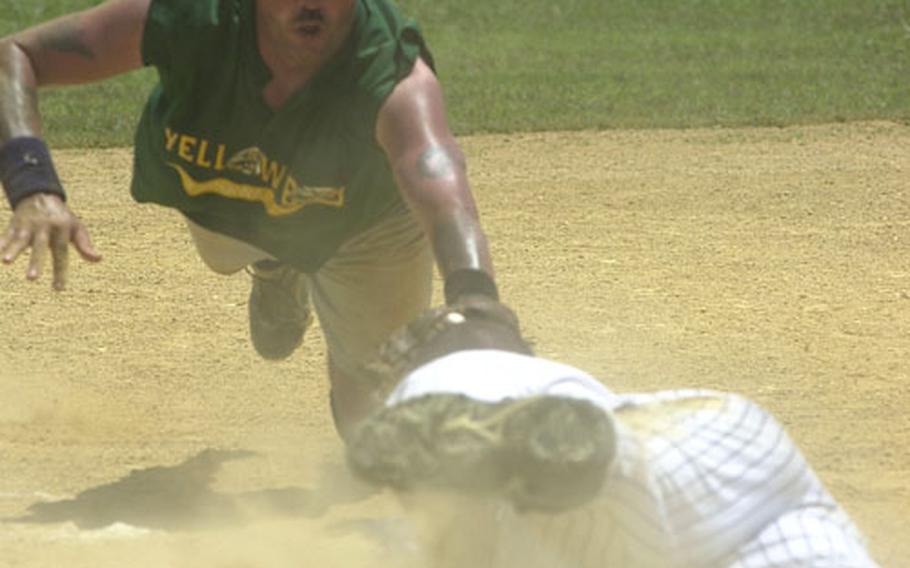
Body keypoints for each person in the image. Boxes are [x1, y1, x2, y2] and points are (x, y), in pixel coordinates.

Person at [0, 0, 499, 439]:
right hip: (226, 204)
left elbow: (442, 190)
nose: (312, 4)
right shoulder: (194, 17)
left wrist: (477, 301)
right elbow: (13, 55)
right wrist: (32, 183)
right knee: (224, 254)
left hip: (366, 226)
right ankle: (275, 266)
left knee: (375, 402)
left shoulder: (391, 73)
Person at [346, 298, 880, 568]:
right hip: (726, 464)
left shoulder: (431, 385)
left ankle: (537, 446)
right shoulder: (538, 380)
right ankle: (542, 447)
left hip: (610, 468)